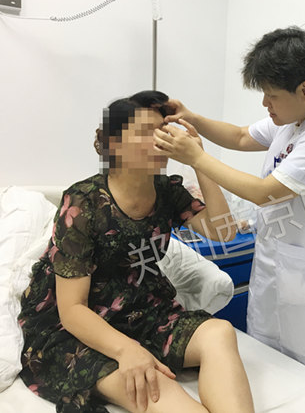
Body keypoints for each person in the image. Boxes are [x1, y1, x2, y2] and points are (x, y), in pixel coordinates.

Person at [18, 91, 254, 413]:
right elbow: (72, 309)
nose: (159, 140)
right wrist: (127, 350)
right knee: (154, 382)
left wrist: (200, 160)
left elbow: (223, 232)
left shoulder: (168, 191)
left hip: (144, 313)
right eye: (145, 132)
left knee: (220, 333)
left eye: (162, 130)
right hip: (79, 329)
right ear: (114, 144)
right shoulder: (83, 202)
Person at [153, 26, 305, 382]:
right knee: (267, 360)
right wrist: (193, 118)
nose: (265, 103)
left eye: (271, 95)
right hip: (275, 261)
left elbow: (266, 193)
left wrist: (196, 157)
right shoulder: (293, 118)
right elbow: (240, 136)